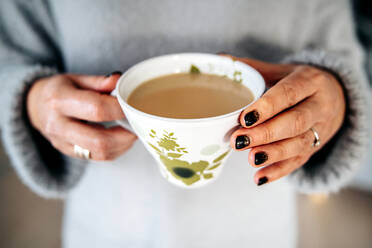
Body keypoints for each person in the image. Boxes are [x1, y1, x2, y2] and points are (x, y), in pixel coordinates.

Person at [0, 0, 370, 247]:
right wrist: (32, 100)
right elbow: (8, 55)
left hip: (255, 228)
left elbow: (340, 53)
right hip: (107, 228)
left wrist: (335, 94)